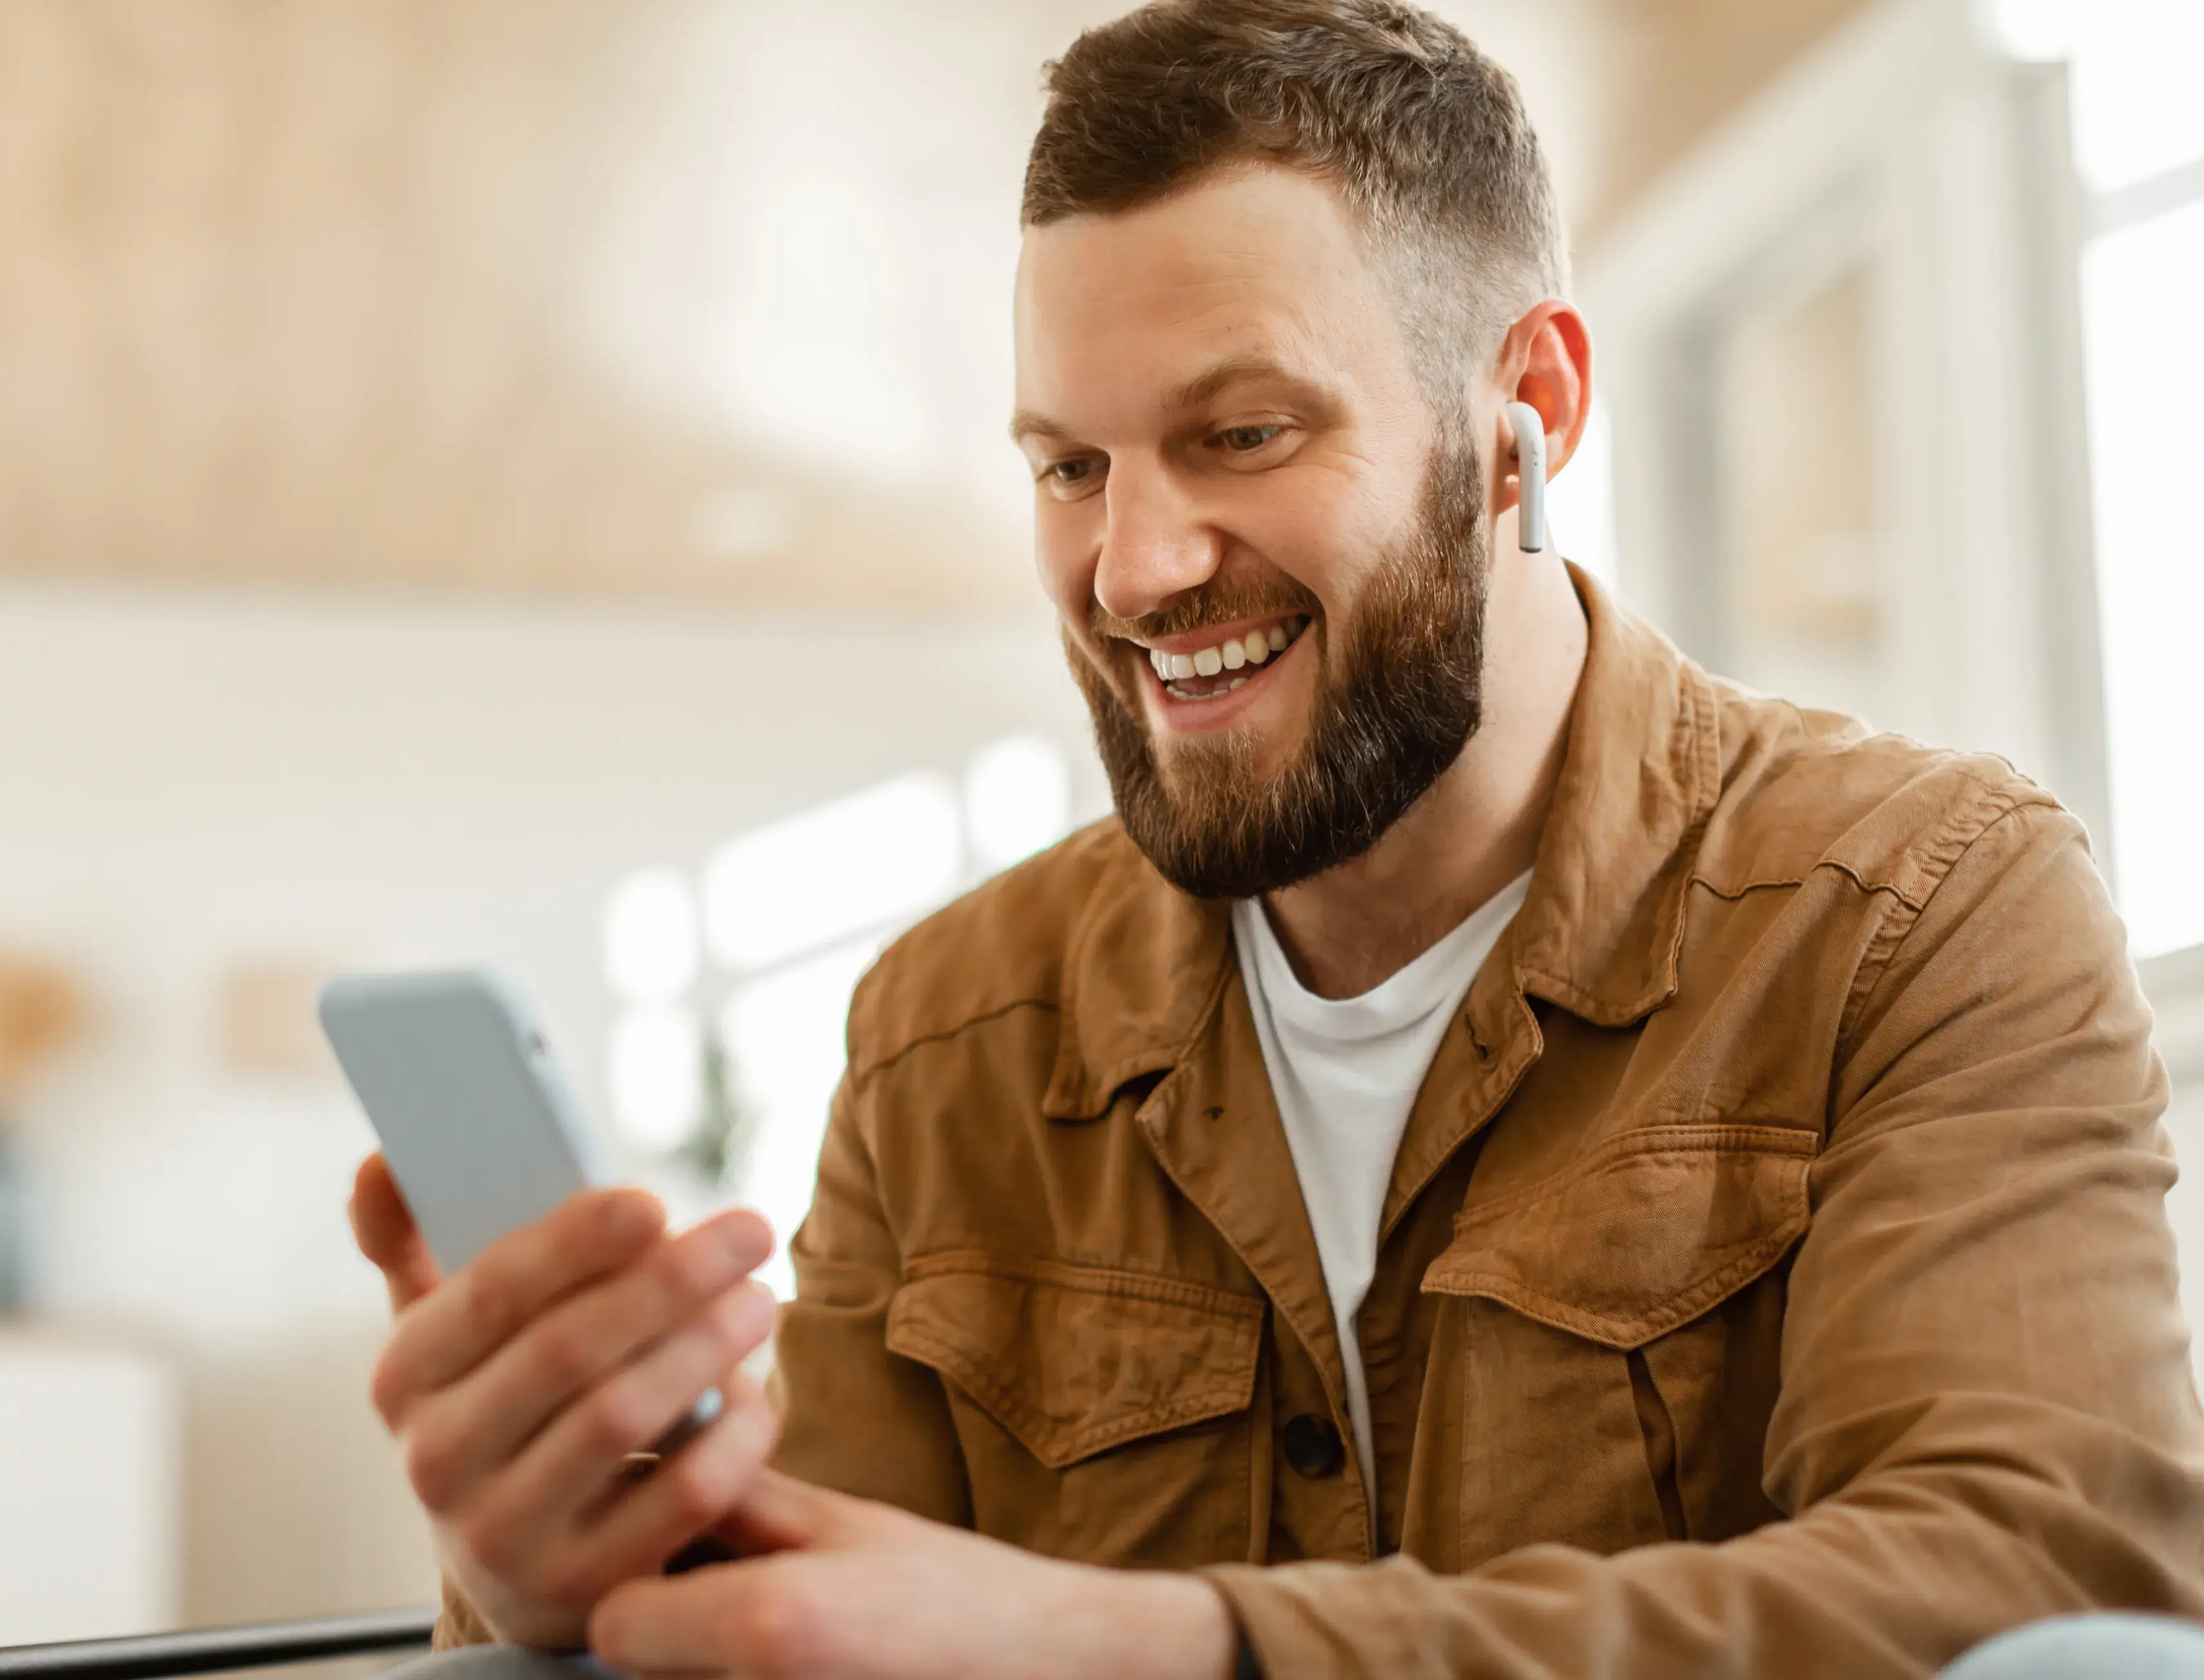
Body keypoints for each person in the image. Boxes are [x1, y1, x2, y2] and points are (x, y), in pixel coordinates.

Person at [347, 2, 2204, 1675]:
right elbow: (808, 1613)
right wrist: (564, 1597)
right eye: (1068, 465)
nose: (1132, 569)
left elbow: (2038, 1596)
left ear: (1526, 413)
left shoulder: (1922, 910)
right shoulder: (950, 1030)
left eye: (1238, 434)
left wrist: (1160, 1649)